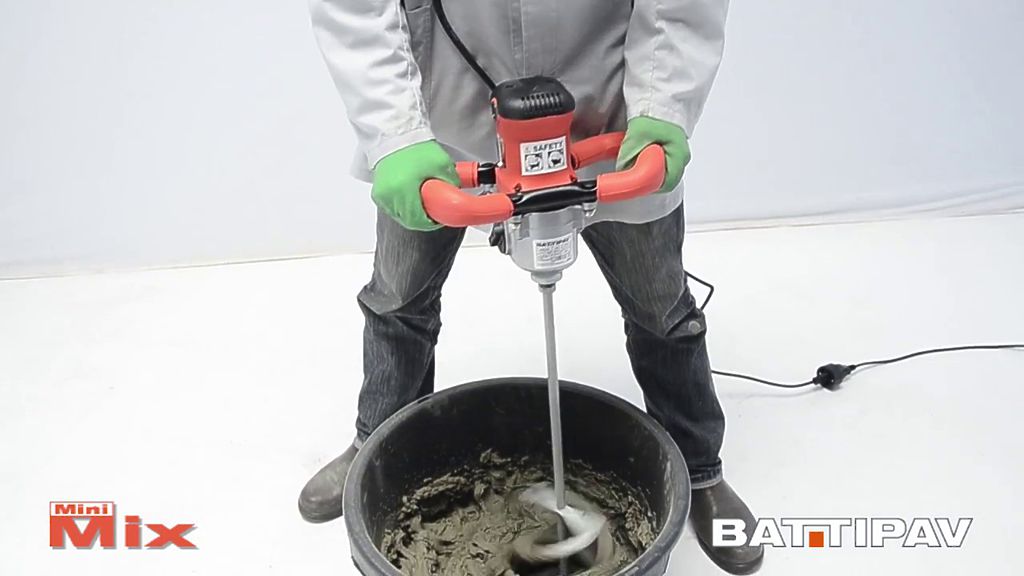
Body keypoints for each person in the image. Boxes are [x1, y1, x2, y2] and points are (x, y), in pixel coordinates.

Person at [301, 0, 763, 573]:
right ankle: (376, 445)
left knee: (662, 310)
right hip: (442, 119)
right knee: (397, 299)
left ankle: (699, 469)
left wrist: (662, 103)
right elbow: (357, 10)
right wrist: (395, 135)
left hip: (609, 116)